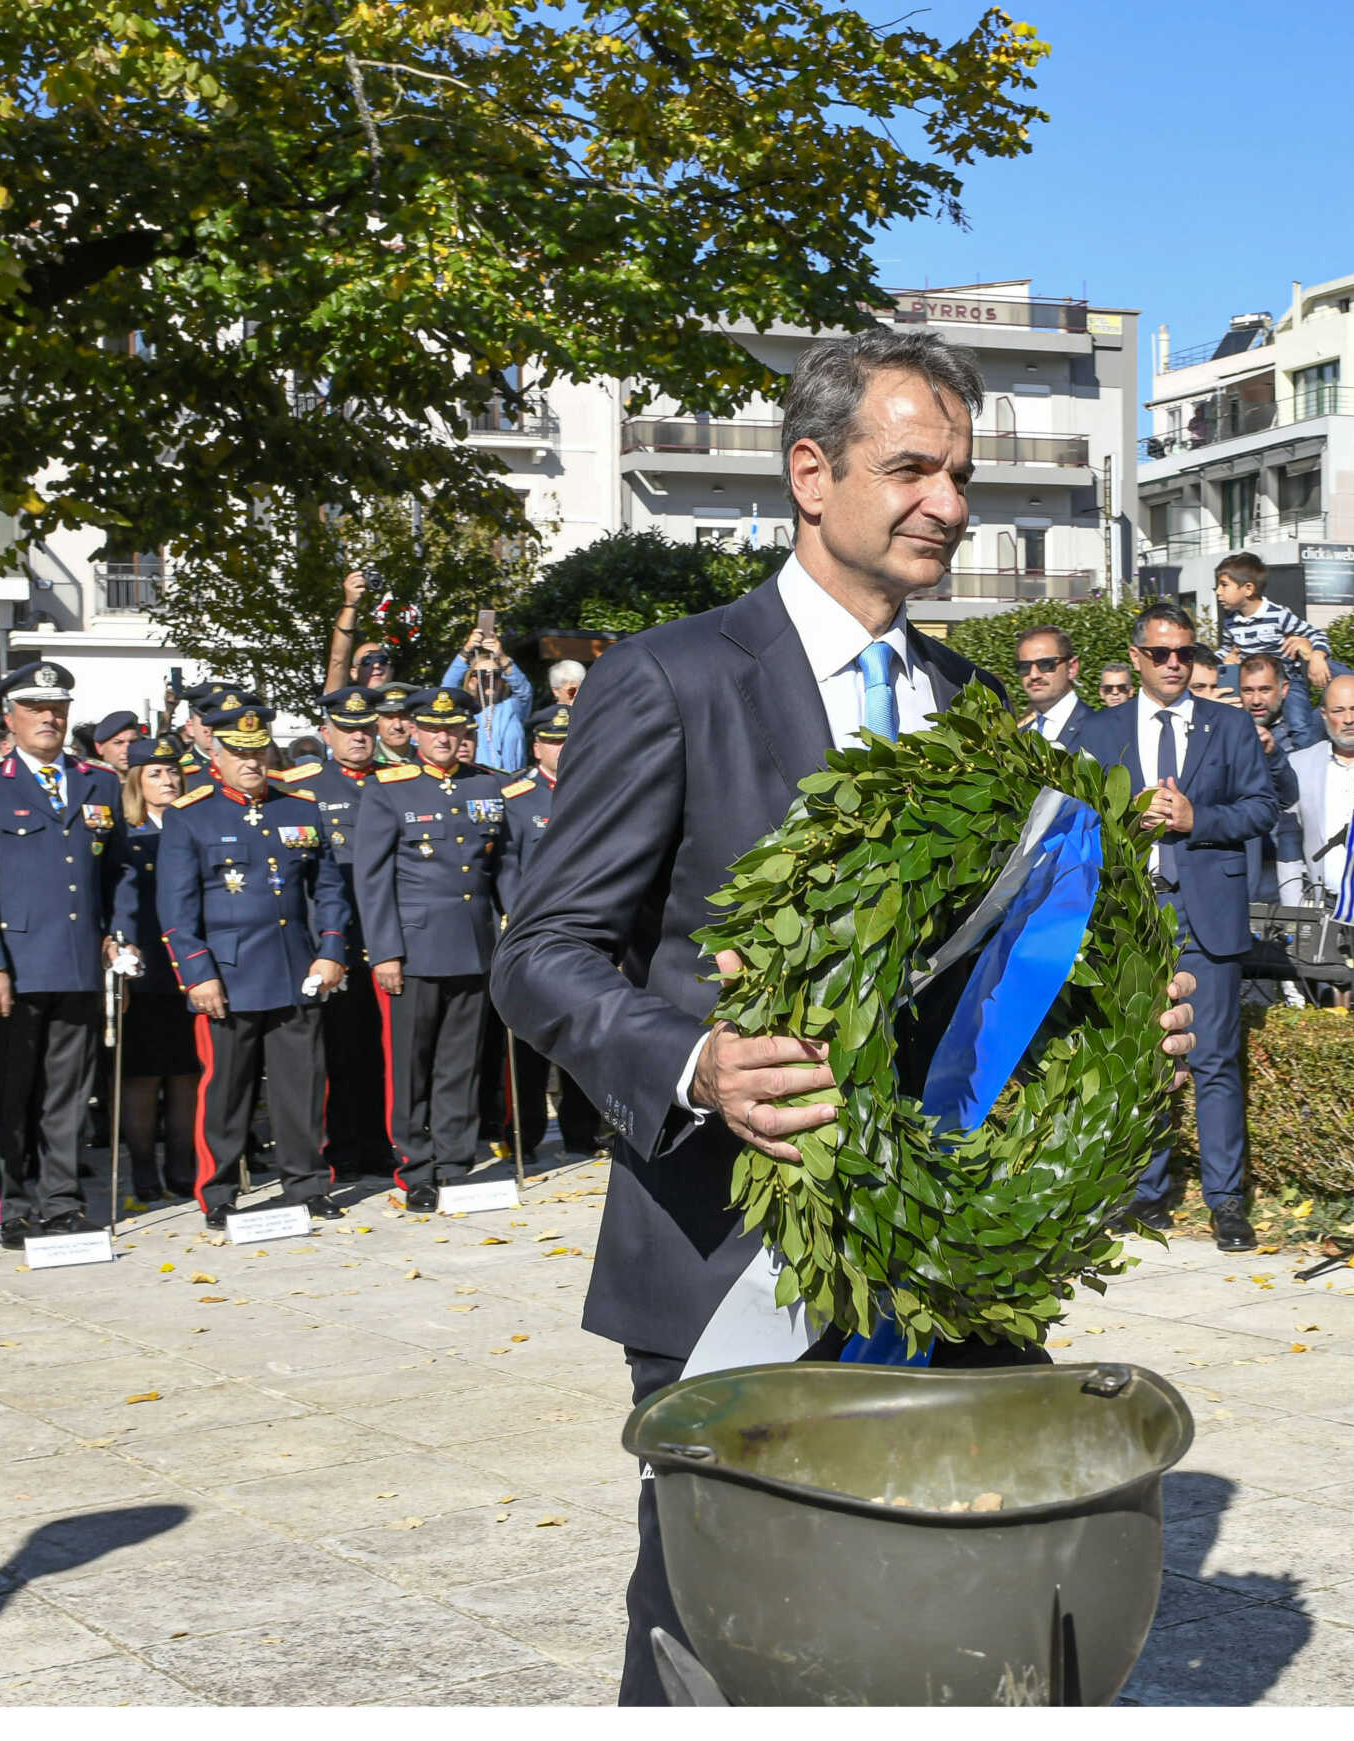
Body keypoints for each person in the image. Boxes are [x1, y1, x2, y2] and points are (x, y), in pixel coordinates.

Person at [487, 327, 1196, 1706]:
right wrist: (694, 1062)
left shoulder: (977, 705)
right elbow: (546, 954)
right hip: (733, 1244)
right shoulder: (677, 677)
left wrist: (1112, 1027)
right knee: (717, 1636)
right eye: (913, 467)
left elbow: (1002, 961)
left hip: (950, 1251)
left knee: (936, 1619)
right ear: (811, 474)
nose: (948, 502)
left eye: (963, 474)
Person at [1079, 598, 1277, 1252]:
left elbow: (1260, 809)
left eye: (1184, 652)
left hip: (1205, 913)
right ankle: (1143, 1191)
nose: (1173, 663)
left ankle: (1226, 1202)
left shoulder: (1229, 726)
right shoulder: (1100, 731)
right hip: (1132, 914)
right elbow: (1074, 819)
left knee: (1216, 1059)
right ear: (1136, 657)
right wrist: (1124, 820)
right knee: (1138, 1059)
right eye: (1160, 653)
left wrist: (1199, 820)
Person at [0, 661, 128, 1246]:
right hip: (16, 967)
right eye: (35, 709)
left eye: (58, 709)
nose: (49, 718)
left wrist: (118, 929)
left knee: (68, 1093)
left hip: (77, 959)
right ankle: (13, 1201)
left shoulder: (96, 781)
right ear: (11, 718)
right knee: (9, 1092)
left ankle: (62, 1200)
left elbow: (119, 868)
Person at [155, 703, 351, 1228]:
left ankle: (307, 1183)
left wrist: (331, 949)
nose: (250, 761)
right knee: (224, 1091)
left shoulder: (301, 809)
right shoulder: (190, 815)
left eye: (257, 751)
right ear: (215, 755)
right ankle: (217, 1191)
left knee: (303, 1087)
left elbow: (328, 889)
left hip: (294, 972)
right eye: (238, 753)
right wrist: (198, 973)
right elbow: (176, 909)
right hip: (229, 974)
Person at [354, 687, 508, 1210]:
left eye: (454, 728)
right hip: (414, 950)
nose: (445, 737)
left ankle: (454, 1162)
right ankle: (414, 1166)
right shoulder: (387, 789)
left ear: (466, 732)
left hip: (473, 944)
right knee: (411, 1066)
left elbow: (500, 868)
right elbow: (372, 880)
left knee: (460, 1064)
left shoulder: (486, 785)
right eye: (434, 728)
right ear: (414, 731)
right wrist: (385, 952)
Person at [270, 687, 395, 1182]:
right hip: (328, 943)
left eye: (366, 729)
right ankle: (337, 1146)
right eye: (347, 729)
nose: (358, 738)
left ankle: (378, 1144)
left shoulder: (396, 782)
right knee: (332, 1054)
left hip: (385, 940)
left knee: (380, 1052)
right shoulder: (302, 786)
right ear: (327, 733)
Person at [494, 704, 589, 1160]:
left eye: (570, 739)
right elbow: (506, 868)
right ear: (537, 747)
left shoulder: (595, 786)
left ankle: (583, 1130)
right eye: (554, 740)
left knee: (586, 1031)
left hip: (588, 930)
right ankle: (525, 1134)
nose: (564, 748)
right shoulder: (516, 797)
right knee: (529, 1043)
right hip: (534, 932)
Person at [109, 736, 200, 1203]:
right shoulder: (126, 831)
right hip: (144, 963)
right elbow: (118, 897)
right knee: (142, 1077)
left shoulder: (196, 821)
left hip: (191, 964)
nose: (168, 781)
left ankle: (183, 1166)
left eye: (173, 772)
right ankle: (144, 1169)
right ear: (136, 782)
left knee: (186, 1074)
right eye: (155, 774)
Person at [1288, 673, 1354, 903]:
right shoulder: (1299, 765)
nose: (1348, 719)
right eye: (1338, 711)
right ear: (1324, 715)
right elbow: (1290, 844)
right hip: (1324, 906)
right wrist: (1294, 910)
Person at [1212, 552, 1331, 746]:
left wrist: (1317, 656)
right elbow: (1225, 650)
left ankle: (1305, 762)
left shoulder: (1278, 615)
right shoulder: (1230, 622)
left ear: (1248, 588)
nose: (1218, 591)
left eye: (1224, 585)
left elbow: (1316, 635)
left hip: (1288, 682)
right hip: (1252, 687)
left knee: (1300, 726)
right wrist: (1220, 661)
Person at [1236, 654, 1306, 903]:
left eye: (1265, 690)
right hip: (1238, 868)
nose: (1256, 700)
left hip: (1286, 872)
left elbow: (1291, 797)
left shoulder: (1304, 736)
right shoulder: (1226, 733)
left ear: (1284, 689)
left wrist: (1273, 754)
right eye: (1247, 690)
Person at [444, 626, 532, 773]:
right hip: (478, 785)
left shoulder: (512, 708)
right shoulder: (464, 711)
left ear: (503, 681)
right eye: (482, 674)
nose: (489, 678)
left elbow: (524, 691)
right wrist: (466, 650)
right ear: (471, 681)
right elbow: (446, 690)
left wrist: (502, 657)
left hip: (513, 786)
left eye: (496, 674)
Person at [1013, 625, 1089, 749]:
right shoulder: (1018, 734)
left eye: (1046, 664)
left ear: (1071, 668)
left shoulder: (1102, 729)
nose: (1033, 675)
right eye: (1024, 666)